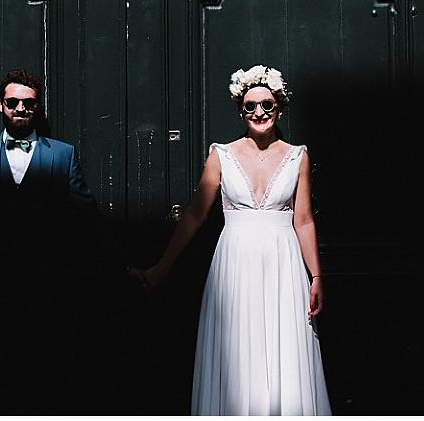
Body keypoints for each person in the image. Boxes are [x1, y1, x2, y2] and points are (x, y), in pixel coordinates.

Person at [137, 65, 332, 415]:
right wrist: (163, 265)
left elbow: (303, 220)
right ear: (241, 111)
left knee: (284, 346)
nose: (259, 112)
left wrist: (316, 275)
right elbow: (195, 214)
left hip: (283, 265)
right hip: (235, 264)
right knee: (238, 350)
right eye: (250, 106)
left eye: (267, 105)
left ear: (279, 108)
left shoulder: (297, 156)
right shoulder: (221, 155)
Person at [0, 68, 99, 412]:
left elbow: (86, 218)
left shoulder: (62, 155)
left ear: (37, 106)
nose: (21, 108)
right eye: (13, 102)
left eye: (28, 103)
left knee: (44, 378)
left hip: (47, 288)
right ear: (0, 105)